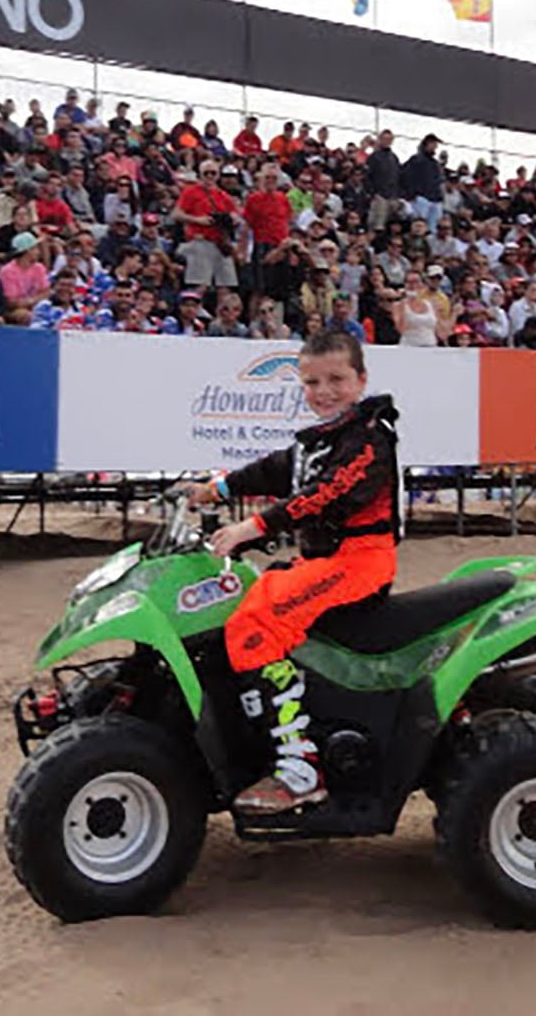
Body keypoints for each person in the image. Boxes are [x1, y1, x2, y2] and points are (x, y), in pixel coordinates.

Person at [182, 333, 402, 814]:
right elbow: (273, 470)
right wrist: (215, 489)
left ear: (361, 380)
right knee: (247, 597)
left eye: (336, 379)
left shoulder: (368, 439)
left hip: (359, 563)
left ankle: (300, 769)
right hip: (324, 562)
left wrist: (252, 527)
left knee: (253, 623)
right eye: (312, 382)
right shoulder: (321, 439)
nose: (324, 391)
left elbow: (325, 495)